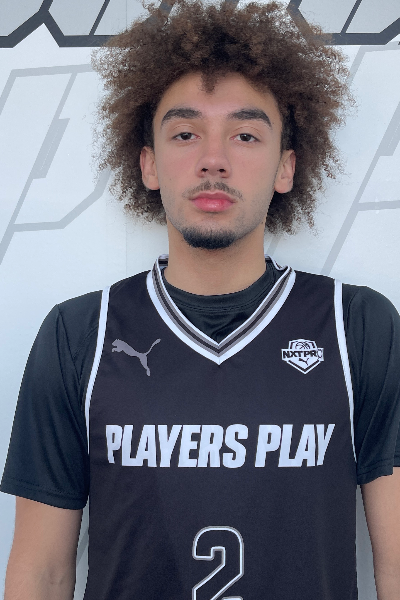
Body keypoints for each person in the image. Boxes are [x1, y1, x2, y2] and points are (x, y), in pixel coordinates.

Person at [1, 1, 400, 599]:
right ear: (149, 164)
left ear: (286, 167)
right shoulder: (80, 334)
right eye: (185, 134)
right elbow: (42, 573)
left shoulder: (358, 328)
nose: (213, 160)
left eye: (245, 135)